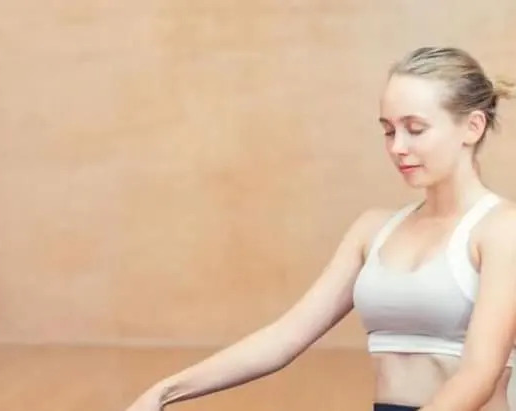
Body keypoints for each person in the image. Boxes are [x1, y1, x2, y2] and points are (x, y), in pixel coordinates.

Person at [125, 46, 516, 411]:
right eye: (388, 130)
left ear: (473, 127)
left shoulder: (501, 229)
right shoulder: (373, 230)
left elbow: (479, 374)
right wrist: (164, 391)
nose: (397, 146)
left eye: (415, 129)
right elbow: (285, 337)